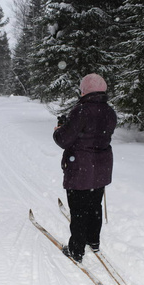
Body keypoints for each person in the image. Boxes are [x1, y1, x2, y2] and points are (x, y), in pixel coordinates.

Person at [53, 73, 117, 263]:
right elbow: (98, 134)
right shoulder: (109, 111)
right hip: (101, 168)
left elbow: (64, 140)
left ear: (84, 91)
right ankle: (93, 240)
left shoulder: (81, 110)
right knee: (94, 206)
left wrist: (59, 130)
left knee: (79, 210)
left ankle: (76, 251)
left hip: (81, 168)